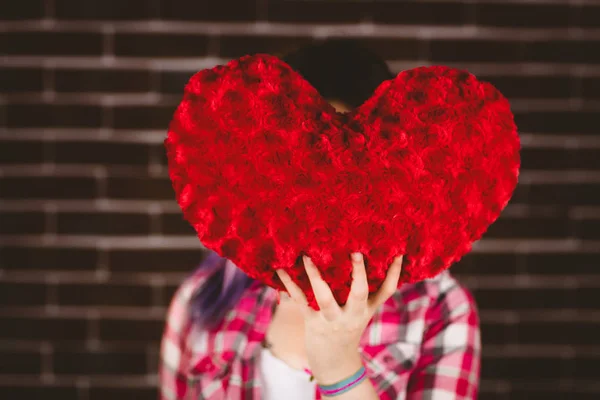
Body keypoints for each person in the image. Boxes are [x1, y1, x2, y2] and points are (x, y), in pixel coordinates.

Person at [159, 39, 481, 400]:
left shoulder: (438, 307)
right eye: (307, 167)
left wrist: (340, 368)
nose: (327, 195)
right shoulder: (203, 300)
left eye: (352, 171)